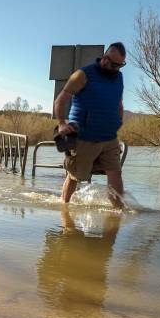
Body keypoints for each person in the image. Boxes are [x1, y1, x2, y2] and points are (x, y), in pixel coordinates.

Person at [53, 42, 126, 208]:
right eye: (114, 65)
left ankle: (117, 217)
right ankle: (65, 213)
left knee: (116, 175)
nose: (117, 69)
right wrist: (62, 123)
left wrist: (118, 122)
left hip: (109, 138)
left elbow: (119, 104)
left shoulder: (118, 77)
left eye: (121, 65)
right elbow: (61, 100)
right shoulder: (83, 75)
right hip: (84, 137)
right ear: (105, 59)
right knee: (75, 176)